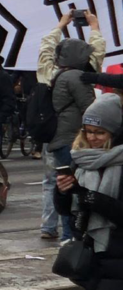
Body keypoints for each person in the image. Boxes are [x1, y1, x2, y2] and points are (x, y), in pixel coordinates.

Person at [39, 10, 104, 243]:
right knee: (74, 187)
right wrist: (94, 27)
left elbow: (45, 51)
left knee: (54, 184)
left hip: (53, 138)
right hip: (73, 139)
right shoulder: (80, 76)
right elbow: (91, 108)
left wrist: (60, 25)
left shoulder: (49, 74)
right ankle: (71, 236)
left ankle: (49, 225)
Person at [55, 93, 123, 290]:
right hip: (91, 254)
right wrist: (64, 191)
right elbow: (66, 210)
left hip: (117, 252)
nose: (92, 137)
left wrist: (92, 198)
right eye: (88, 131)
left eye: (100, 132)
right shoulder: (81, 159)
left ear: (115, 132)